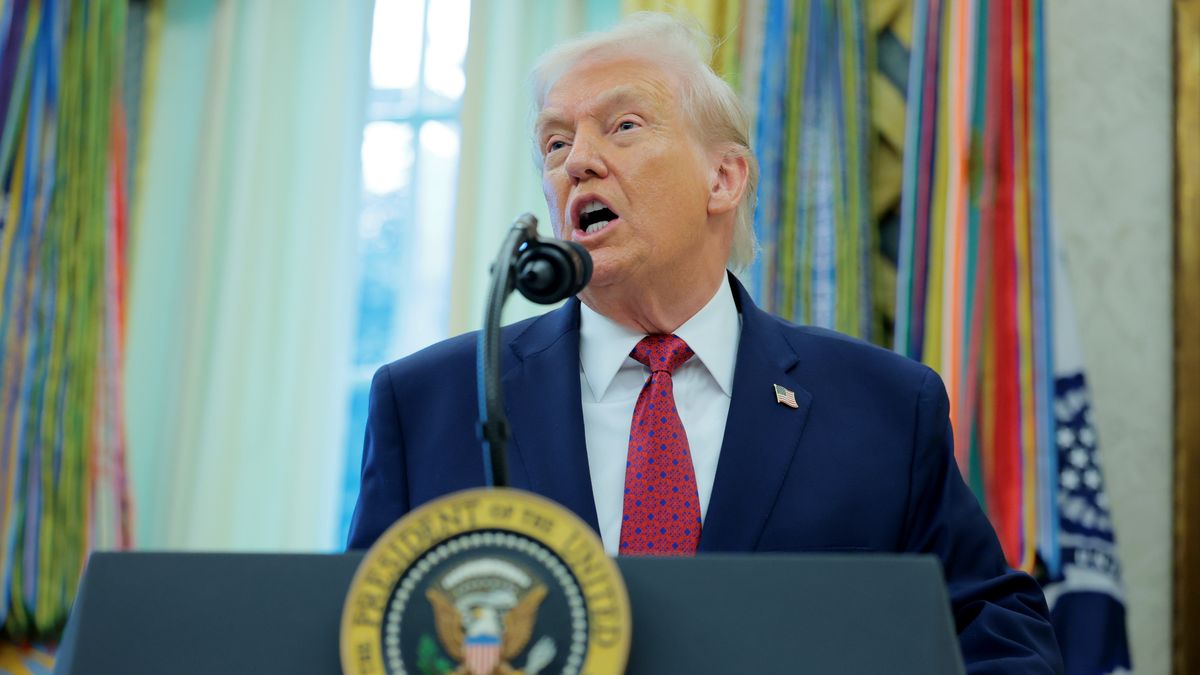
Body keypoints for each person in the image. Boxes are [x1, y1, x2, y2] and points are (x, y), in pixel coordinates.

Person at [348, 13, 1063, 673]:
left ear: (723, 178)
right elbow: (357, 633)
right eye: (556, 141)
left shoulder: (883, 406)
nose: (577, 162)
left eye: (622, 126)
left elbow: (999, 634)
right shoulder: (431, 402)